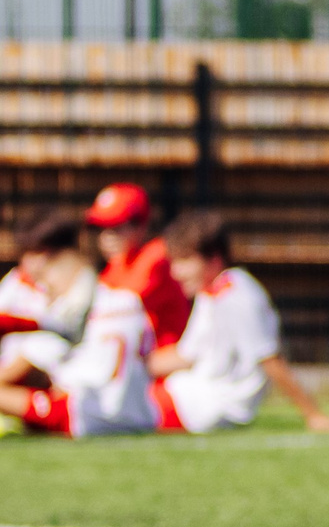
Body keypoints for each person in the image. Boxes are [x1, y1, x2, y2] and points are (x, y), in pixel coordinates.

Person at [150, 210, 329, 434]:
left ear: (214, 258)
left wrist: (313, 414)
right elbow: (185, 355)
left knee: (122, 413)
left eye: (184, 261)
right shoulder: (210, 293)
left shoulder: (237, 294)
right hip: (187, 396)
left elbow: (269, 358)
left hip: (205, 406)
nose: (175, 273)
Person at [0, 231, 159, 438]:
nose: (45, 288)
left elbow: (21, 364)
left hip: (86, 414)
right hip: (141, 414)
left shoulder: (68, 314)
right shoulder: (127, 300)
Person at [86, 182, 191, 350]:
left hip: (166, 359)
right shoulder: (117, 263)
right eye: (102, 228)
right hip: (133, 359)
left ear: (141, 225)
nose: (107, 237)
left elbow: (123, 305)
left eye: (116, 227)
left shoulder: (158, 256)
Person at [0, 208, 95, 371]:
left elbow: (63, 333)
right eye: (26, 252)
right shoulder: (18, 279)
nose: (30, 261)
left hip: (60, 373)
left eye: (39, 253)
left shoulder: (86, 285)